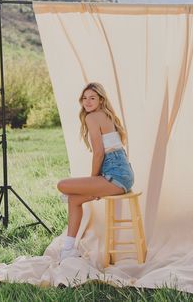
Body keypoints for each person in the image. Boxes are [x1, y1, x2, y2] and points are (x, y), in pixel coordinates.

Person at [57, 82, 134, 260]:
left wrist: (93, 183)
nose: (88, 102)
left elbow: (99, 153)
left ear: (101, 99)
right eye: (85, 98)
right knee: (75, 200)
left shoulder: (92, 117)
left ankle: (71, 193)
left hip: (115, 175)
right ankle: (68, 250)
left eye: (92, 98)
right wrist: (94, 186)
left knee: (62, 185)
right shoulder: (106, 115)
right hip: (124, 174)